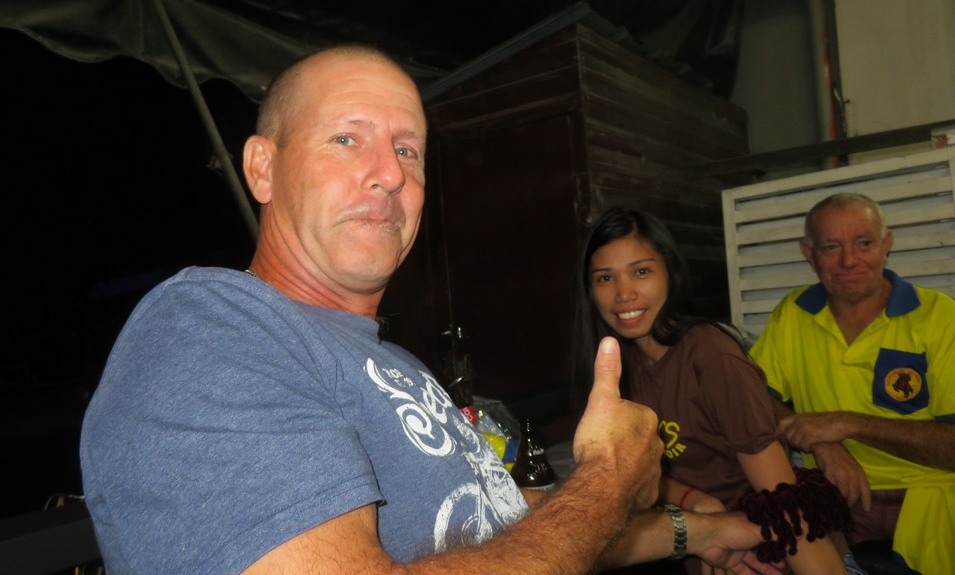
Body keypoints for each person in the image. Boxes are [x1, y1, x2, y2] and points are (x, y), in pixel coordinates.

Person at [80, 45, 778, 575]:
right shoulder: (207, 329)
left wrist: (702, 532)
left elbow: (509, 530)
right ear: (262, 167)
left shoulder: (397, 363)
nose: (390, 173)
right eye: (347, 138)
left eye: (407, 149)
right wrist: (606, 482)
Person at [571, 207, 851, 575]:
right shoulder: (618, 366)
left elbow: (782, 500)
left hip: (772, 551)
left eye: (641, 272)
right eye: (606, 278)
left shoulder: (712, 357)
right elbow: (633, 475)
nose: (624, 294)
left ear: (670, 274)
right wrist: (694, 499)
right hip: (702, 546)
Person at [749, 192, 955, 575]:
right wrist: (822, 442)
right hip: (832, 498)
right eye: (831, 247)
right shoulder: (793, 313)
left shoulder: (941, 317)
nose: (848, 260)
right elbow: (752, 395)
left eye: (864, 243)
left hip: (930, 500)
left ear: (886, 244)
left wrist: (847, 424)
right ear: (808, 253)